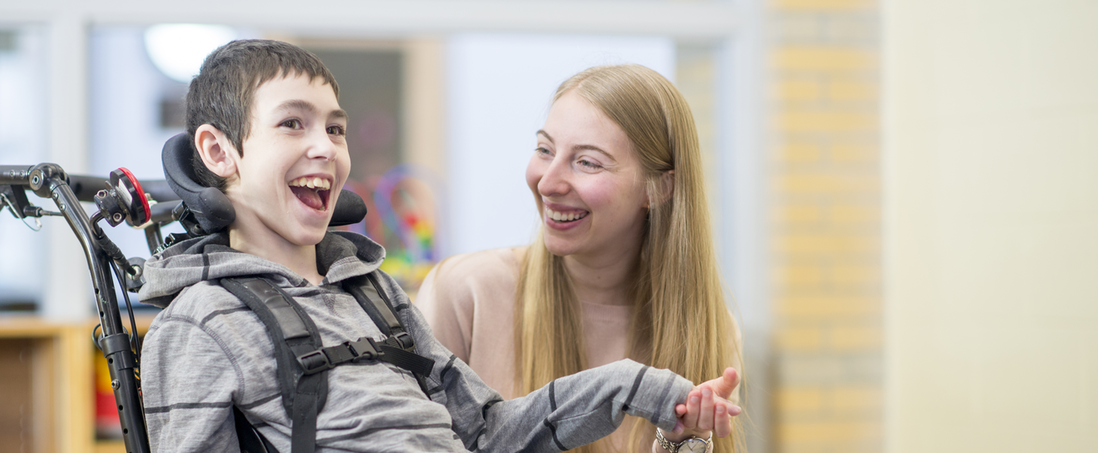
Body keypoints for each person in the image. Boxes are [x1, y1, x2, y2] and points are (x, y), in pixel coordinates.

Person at [138, 40, 736, 453]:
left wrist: (638, 386)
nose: (325, 147)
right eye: (293, 123)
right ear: (219, 153)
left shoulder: (374, 295)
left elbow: (490, 431)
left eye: (336, 128)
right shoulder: (200, 324)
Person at [416, 64, 744, 453]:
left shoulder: (708, 326)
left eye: (587, 162)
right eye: (545, 150)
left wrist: (679, 443)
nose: (547, 182)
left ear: (658, 188)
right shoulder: (464, 293)